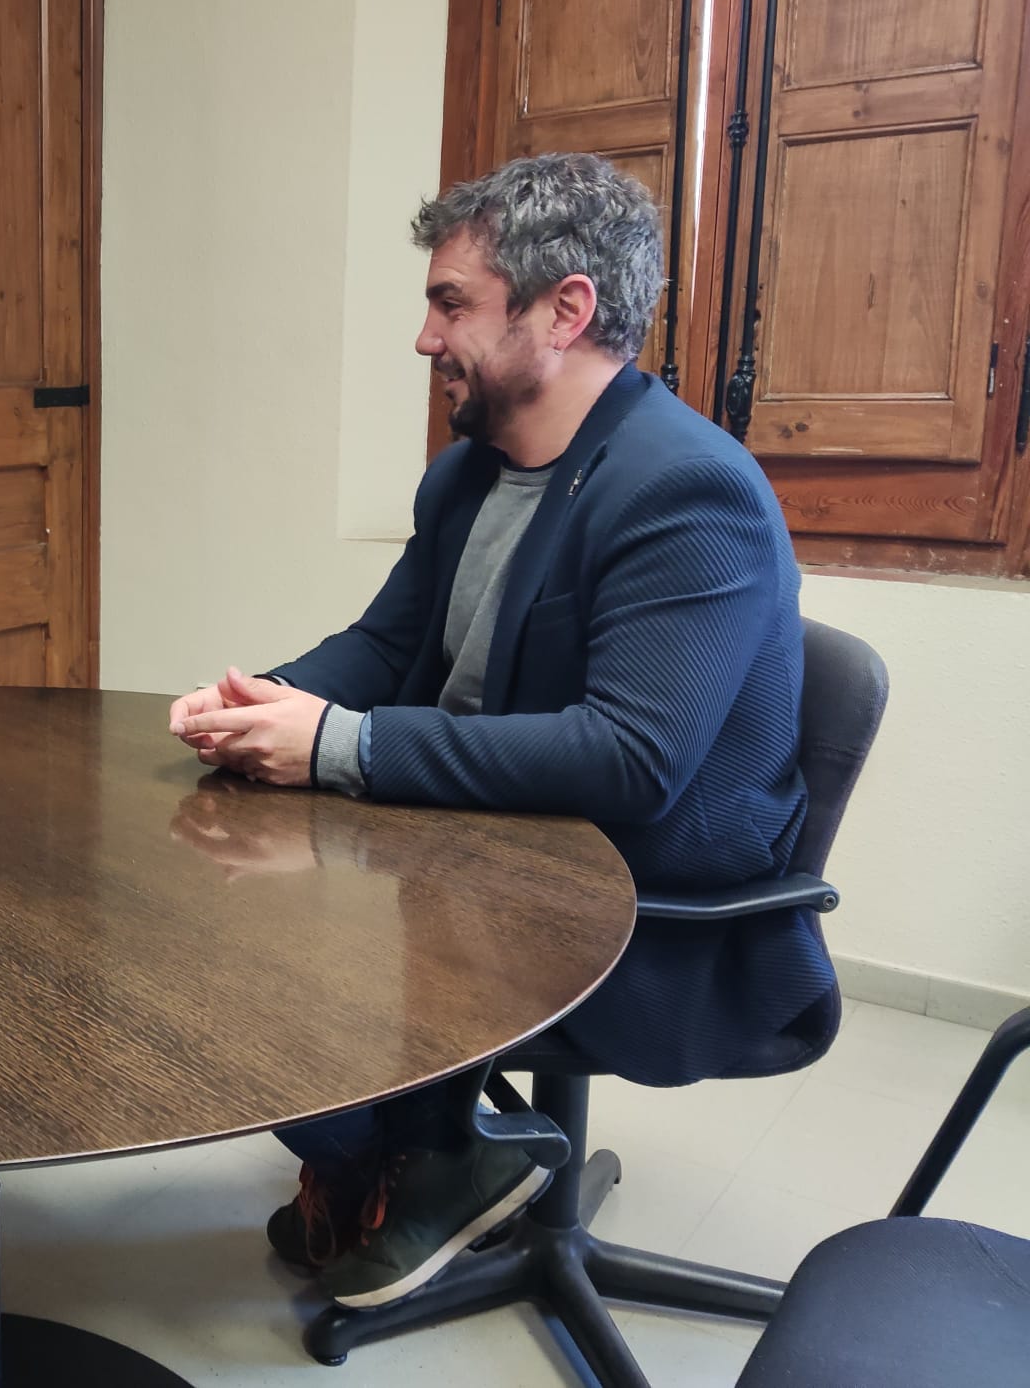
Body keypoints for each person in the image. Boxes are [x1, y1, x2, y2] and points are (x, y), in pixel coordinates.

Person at [169, 153, 829, 1312]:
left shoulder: (688, 490)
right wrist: (258, 702)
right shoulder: (469, 476)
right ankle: (402, 1156)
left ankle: (433, 1154)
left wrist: (336, 746)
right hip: (482, 842)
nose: (425, 338)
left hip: (636, 897)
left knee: (267, 951)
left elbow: (630, 760)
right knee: (206, 894)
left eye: (450, 304)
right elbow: (385, 648)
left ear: (563, 310)